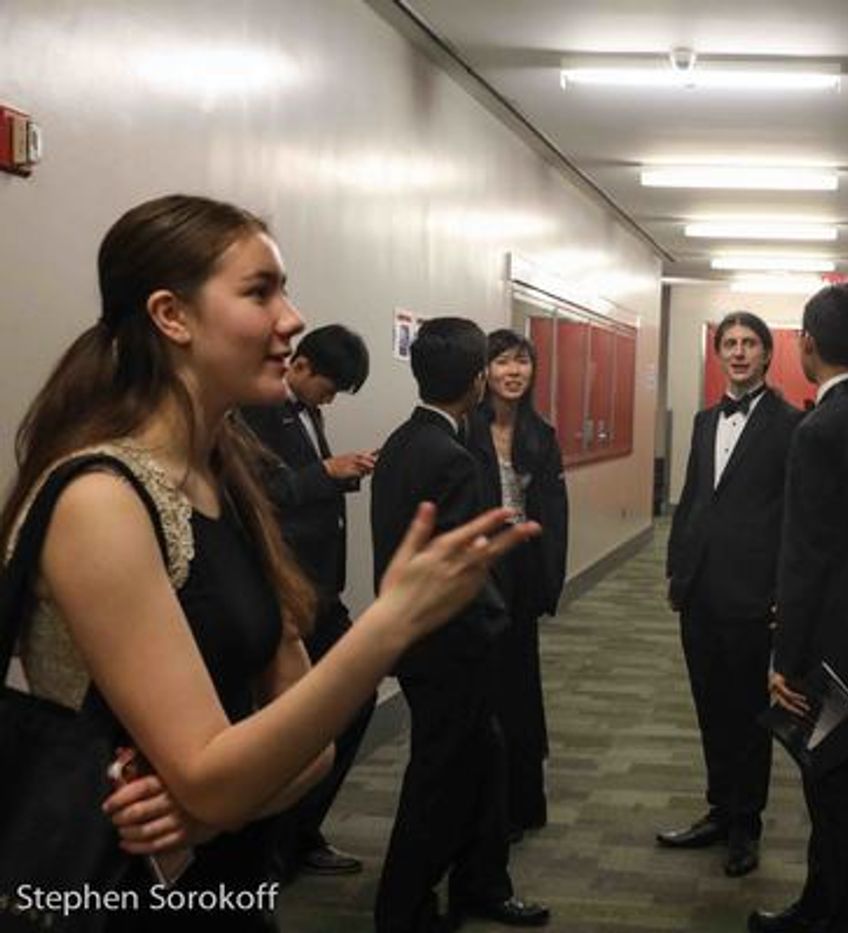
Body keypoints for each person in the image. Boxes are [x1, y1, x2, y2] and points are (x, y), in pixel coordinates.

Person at [0, 194, 534, 932]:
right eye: (260, 291)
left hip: (227, 886)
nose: (290, 319)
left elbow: (310, 751)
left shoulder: (226, 476)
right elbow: (222, 769)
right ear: (171, 315)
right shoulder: (102, 497)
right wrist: (388, 625)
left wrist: (218, 806)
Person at [371, 317, 550, 932]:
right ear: (478, 381)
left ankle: (480, 882)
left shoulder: (402, 441)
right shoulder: (449, 457)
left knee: (484, 763)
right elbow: (458, 568)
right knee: (438, 781)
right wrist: (492, 629)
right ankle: (404, 908)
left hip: (423, 640)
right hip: (448, 646)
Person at [749, 284, 848, 933]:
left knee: (834, 792)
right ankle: (823, 905)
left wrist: (784, 659)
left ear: (805, 343)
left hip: (818, 645)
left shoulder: (818, 429)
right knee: (832, 781)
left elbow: (805, 555)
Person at [658, 311, 802, 878]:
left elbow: (794, 515)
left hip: (753, 592)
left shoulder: (791, 425)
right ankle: (720, 810)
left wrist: (783, 593)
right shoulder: (701, 421)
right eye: (730, 344)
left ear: (768, 355)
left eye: (750, 344)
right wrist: (677, 569)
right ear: (718, 353)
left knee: (749, 714)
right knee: (710, 707)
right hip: (700, 590)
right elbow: (694, 497)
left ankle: (747, 822)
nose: (739, 353)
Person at [239, 324, 377, 879]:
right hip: (285, 591)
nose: (331, 398)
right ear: (301, 365)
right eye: (330, 386)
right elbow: (259, 495)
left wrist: (341, 474)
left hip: (322, 587)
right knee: (295, 715)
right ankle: (279, 842)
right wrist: (324, 472)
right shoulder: (255, 413)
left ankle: (300, 832)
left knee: (354, 695)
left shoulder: (306, 411)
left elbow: (301, 485)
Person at [469, 329, 569, 841]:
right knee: (485, 694)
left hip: (523, 575)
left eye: (523, 362)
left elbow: (555, 512)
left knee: (520, 690)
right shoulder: (467, 430)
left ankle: (523, 802)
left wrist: (551, 579)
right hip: (481, 575)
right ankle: (488, 807)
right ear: (484, 371)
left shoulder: (539, 433)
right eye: (503, 362)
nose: (514, 372)